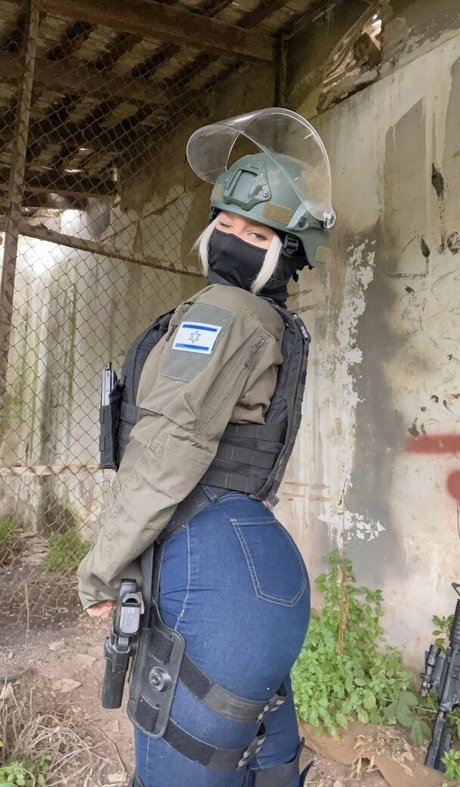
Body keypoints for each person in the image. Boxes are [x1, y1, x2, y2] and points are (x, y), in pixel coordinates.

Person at [77, 107, 336, 787]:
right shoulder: (274, 324)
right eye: (224, 222)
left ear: (289, 251)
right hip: (261, 571)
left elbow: (169, 446)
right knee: (268, 770)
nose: (232, 239)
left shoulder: (222, 314)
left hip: (210, 571)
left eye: (257, 232)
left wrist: (102, 568)